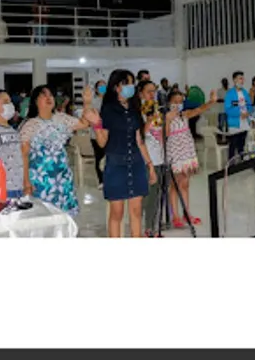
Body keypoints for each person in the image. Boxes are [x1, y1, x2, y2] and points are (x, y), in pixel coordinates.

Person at [90, 70, 157, 238]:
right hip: (116, 164)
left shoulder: (134, 109)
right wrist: (96, 125)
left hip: (136, 163)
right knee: (117, 212)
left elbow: (139, 140)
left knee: (136, 210)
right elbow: (102, 143)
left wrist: (150, 165)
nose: (131, 87)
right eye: (127, 83)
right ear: (116, 87)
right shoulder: (108, 110)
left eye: (132, 83)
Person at [20, 85, 98, 214]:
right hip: (40, 179)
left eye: (50, 95)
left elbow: (84, 123)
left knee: (64, 214)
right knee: (44, 215)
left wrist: (87, 103)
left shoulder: (61, 118)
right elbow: (24, 155)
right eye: (43, 95)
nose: (48, 98)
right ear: (35, 101)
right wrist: (26, 182)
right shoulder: (30, 125)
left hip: (62, 177)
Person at [166, 88, 217, 229]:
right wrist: (168, 120)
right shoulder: (166, 118)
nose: (178, 105)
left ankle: (187, 213)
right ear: (169, 103)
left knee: (185, 183)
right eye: (175, 102)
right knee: (175, 184)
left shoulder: (185, 114)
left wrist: (211, 101)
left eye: (180, 102)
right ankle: (175, 216)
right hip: (175, 153)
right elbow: (165, 134)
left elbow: (199, 109)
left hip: (186, 152)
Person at [139, 79, 165, 237]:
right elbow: (139, 137)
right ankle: (142, 227)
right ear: (141, 93)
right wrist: (147, 122)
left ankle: (152, 227)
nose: (152, 94)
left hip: (159, 157)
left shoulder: (157, 111)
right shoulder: (138, 112)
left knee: (156, 196)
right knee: (146, 196)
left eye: (153, 91)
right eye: (148, 91)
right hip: (146, 159)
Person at [224, 72, 253, 163]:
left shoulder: (245, 92)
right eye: (240, 78)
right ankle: (231, 165)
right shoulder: (230, 94)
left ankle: (241, 164)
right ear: (234, 80)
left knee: (242, 145)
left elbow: (250, 106)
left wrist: (248, 112)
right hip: (235, 123)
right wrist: (239, 114)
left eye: (243, 79)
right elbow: (227, 109)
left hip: (244, 123)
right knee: (233, 145)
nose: (242, 81)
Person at [90, 80, 107, 188]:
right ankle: (101, 180)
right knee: (99, 158)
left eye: (104, 86)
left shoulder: (110, 101)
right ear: (96, 89)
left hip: (109, 134)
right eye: (100, 86)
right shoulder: (94, 102)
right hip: (95, 134)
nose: (102, 88)